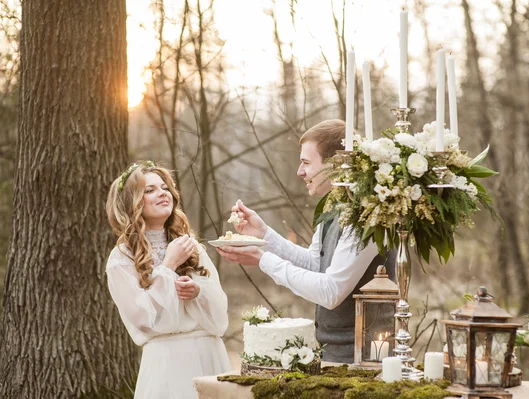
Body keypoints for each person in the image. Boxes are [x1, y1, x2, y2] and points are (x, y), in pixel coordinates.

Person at [217, 120, 395, 363]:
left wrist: (262, 260)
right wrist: (264, 235)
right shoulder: (333, 209)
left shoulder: (367, 216)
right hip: (332, 353)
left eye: (306, 163)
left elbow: (332, 291)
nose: (300, 172)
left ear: (335, 165)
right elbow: (314, 265)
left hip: (364, 361)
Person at [105, 161, 231, 399]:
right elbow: (143, 320)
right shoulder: (122, 257)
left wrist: (198, 293)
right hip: (168, 363)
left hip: (210, 355)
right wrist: (168, 265)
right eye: (149, 190)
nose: (162, 193)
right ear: (132, 203)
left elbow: (221, 316)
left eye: (164, 187)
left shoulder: (190, 246)